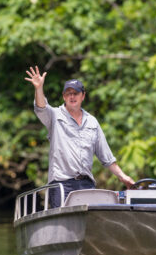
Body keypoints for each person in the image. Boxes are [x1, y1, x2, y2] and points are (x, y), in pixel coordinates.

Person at [25, 66, 134, 207]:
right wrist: (39, 88)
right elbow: (41, 108)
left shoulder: (92, 122)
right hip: (61, 184)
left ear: (83, 96)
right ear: (64, 97)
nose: (72, 96)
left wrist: (123, 176)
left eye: (76, 93)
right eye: (68, 93)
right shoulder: (54, 116)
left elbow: (106, 157)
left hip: (86, 184)